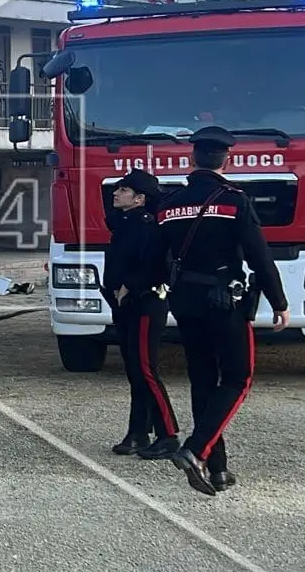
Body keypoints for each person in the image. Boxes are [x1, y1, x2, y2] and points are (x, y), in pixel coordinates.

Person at [155, 127, 289, 496]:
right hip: (223, 302)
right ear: (226, 160)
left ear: (190, 159)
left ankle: (218, 470)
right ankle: (196, 451)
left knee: (203, 380)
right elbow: (260, 257)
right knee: (237, 379)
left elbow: (157, 256)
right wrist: (279, 302)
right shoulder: (234, 201)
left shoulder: (167, 205)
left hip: (184, 301)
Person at [100, 168, 181, 459]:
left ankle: (168, 434)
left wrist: (128, 287)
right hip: (126, 306)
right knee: (134, 370)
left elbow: (158, 267)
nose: (115, 193)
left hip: (146, 303)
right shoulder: (124, 224)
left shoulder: (148, 227)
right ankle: (137, 432)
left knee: (147, 370)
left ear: (139, 199)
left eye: (123, 190)